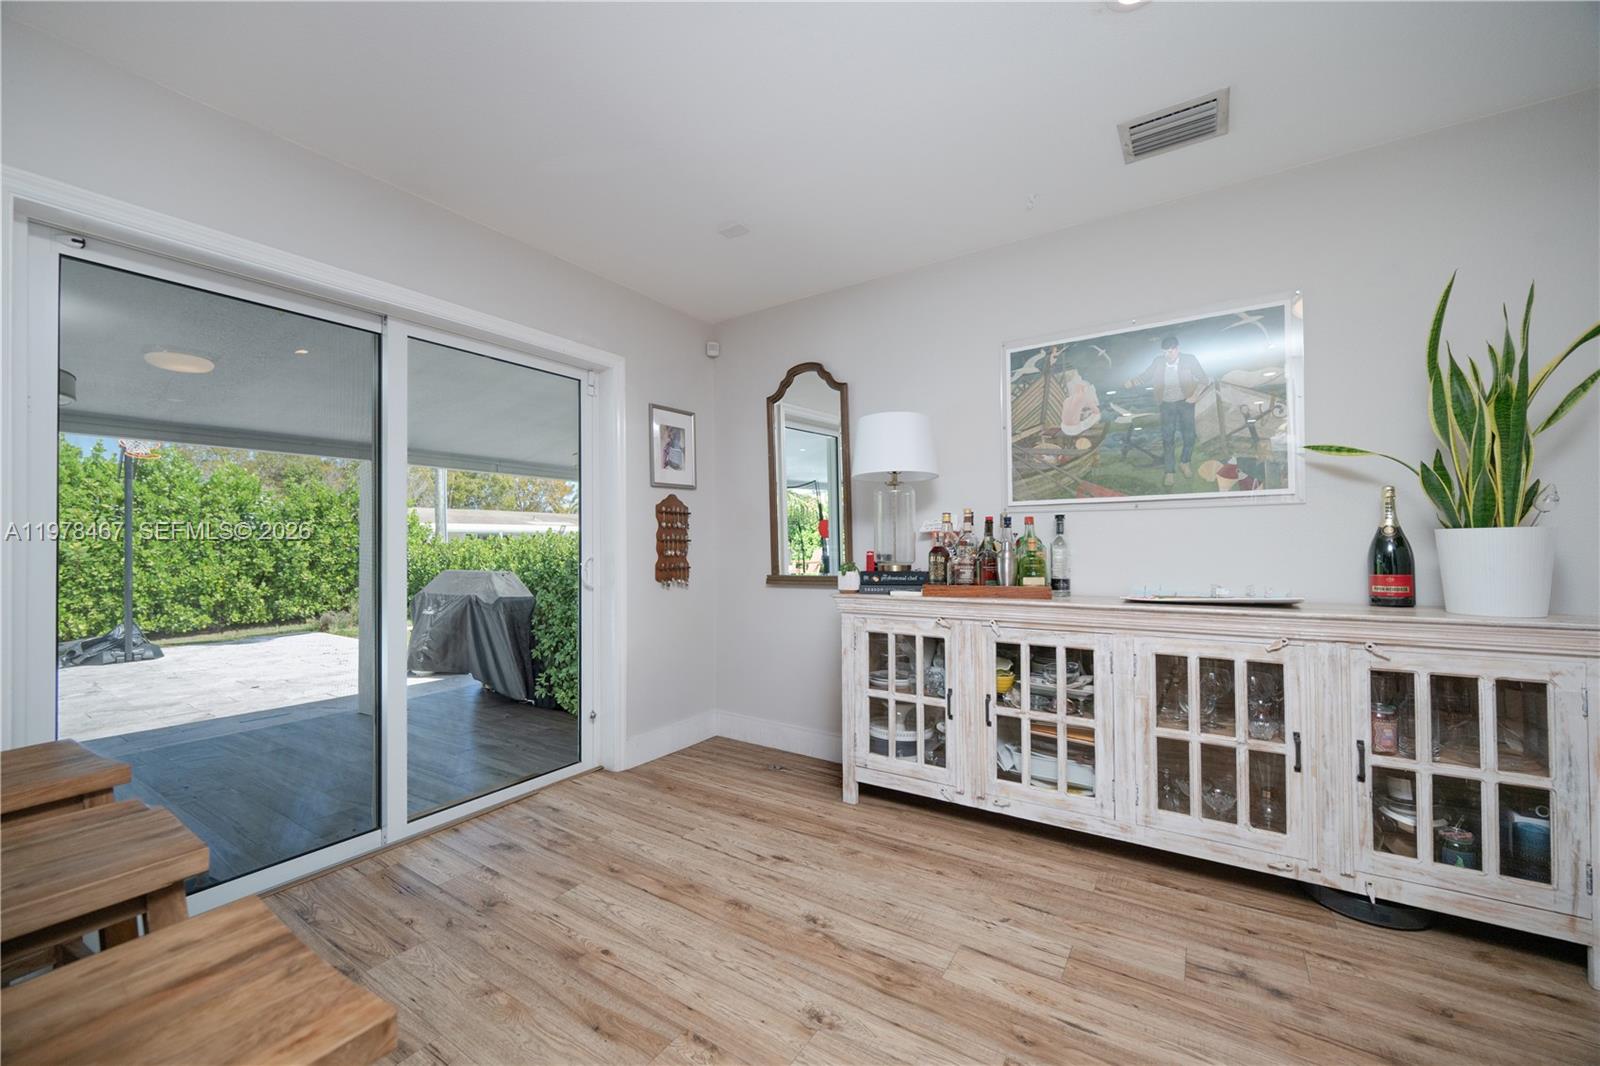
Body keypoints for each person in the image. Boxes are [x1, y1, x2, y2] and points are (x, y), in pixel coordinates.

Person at [1125, 335, 1209, 487]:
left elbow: (1204, 379)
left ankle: (1185, 462)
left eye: (1170, 352)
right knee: (1167, 438)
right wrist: (1132, 382)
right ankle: (1169, 472)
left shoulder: (1190, 359)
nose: (1167, 355)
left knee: (1189, 436)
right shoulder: (1158, 361)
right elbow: (1146, 375)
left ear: (1177, 349)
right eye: (1164, 352)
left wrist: (1195, 395)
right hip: (1166, 404)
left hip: (1186, 403)